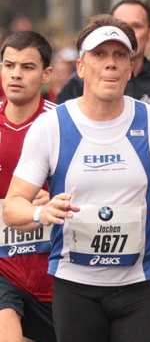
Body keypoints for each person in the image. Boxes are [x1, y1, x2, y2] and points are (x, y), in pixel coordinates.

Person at [2, 14, 150, 342]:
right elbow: (12, 206)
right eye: (99, 54)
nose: (111, 63)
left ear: (130, 68)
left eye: (120, 55)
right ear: (80, 66)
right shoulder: (51, 126)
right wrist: (40, 213)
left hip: (137, 286)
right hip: (74, 289)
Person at [56, 0, 150, 132]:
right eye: (121, 25)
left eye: (136, 26)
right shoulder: (80, 81)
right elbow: (60, 124)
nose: (128, 32)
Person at [0, 31, 56, 342]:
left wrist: (54, 197)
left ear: (46, 74)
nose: (16, 74)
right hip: (3, 270)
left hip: (54, 274)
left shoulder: (64, 124)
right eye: (9, 65)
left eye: (27, 67)